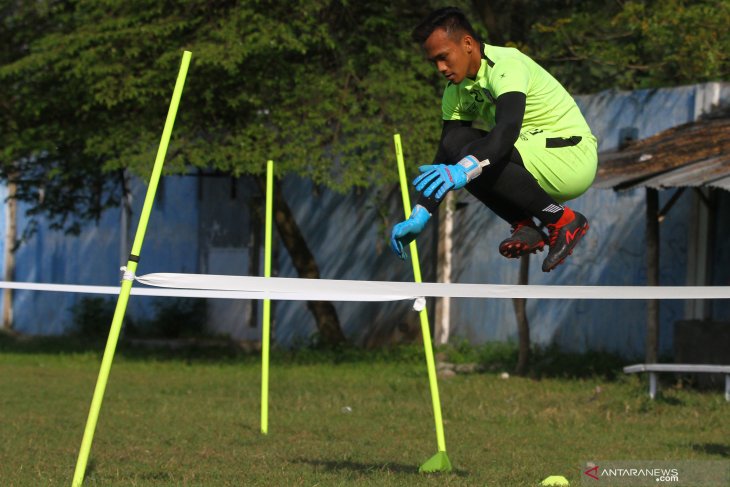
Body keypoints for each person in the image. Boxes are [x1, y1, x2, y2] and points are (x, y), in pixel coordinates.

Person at [390, 7, 597, 272]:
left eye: (444, 57)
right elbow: (445, 154)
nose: (441, 68)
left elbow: (507, 130)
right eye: (434, 62)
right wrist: (421, 213)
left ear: (467, 44)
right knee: (459, 148)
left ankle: (563, 220)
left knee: (476, 157)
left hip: (571, 155)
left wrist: (464, 169)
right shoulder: (456, 90)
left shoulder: (506, 64)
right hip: (534, 165)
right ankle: (525, 226)